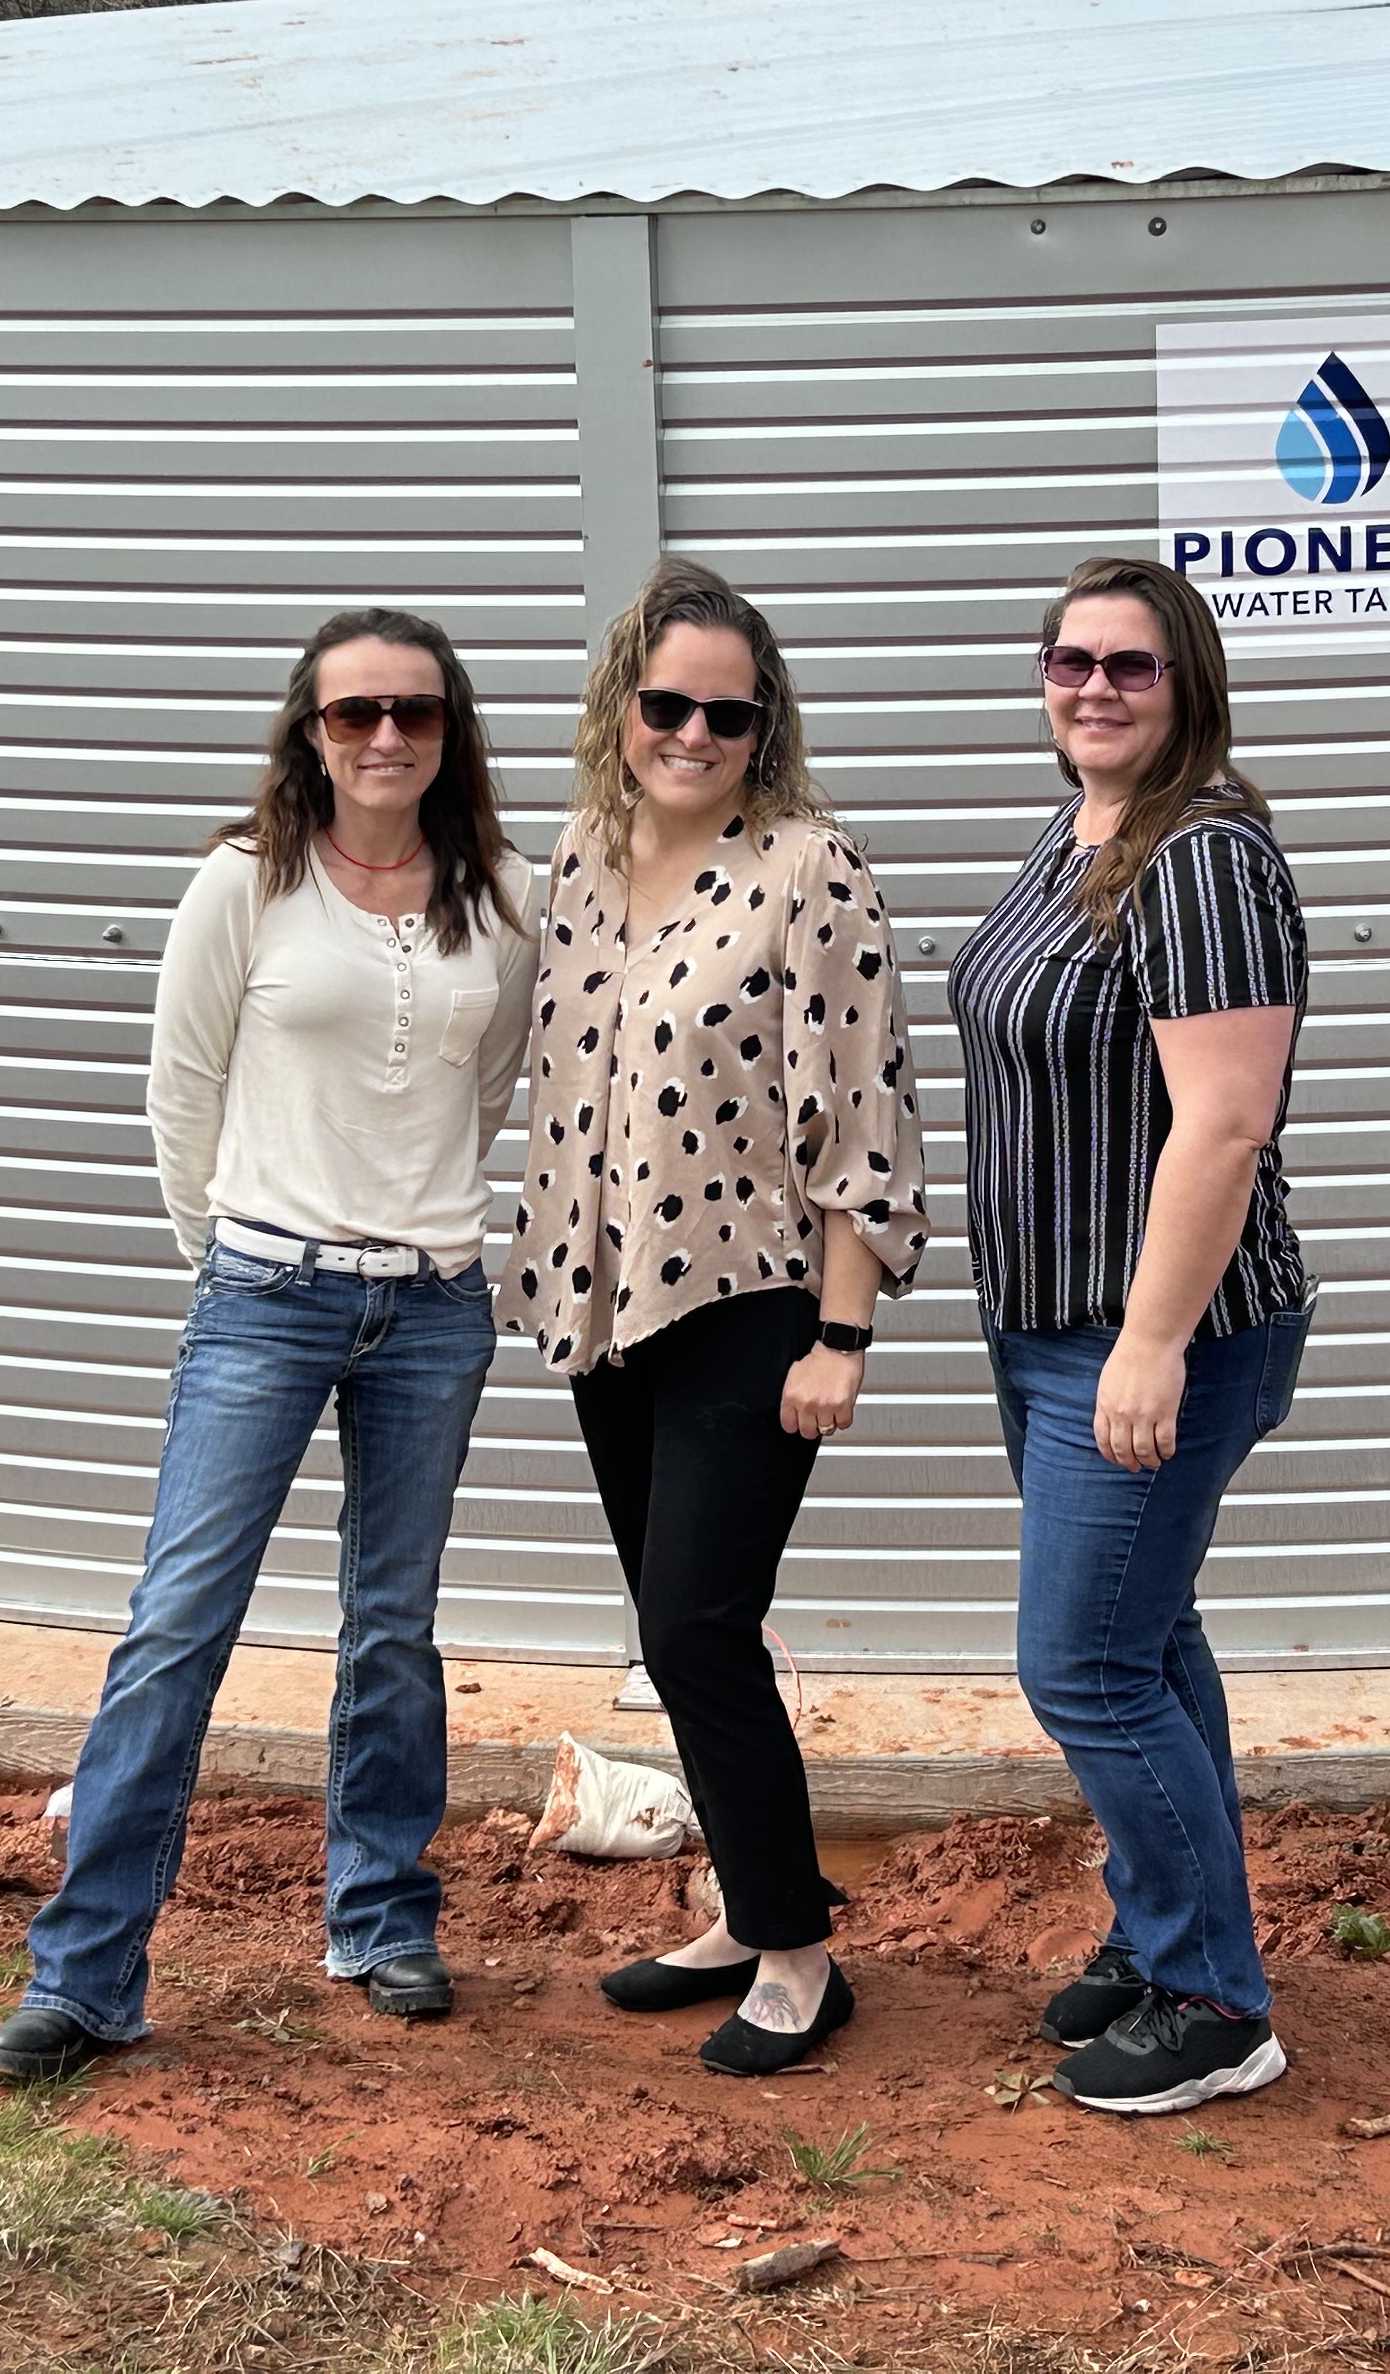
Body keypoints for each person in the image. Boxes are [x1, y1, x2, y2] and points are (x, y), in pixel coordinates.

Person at [0, 608, 536, 2084]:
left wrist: (409, 1222)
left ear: (450, 732)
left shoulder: (501, 899)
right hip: (266, 1295)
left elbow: (483, 1088)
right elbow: (183, 1090)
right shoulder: (245, 884)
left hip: (431, 1308)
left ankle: (382, 1916)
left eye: (414, 713)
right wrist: (236, 1249)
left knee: (393, 1629)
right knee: (180, 1626)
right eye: (353, 712)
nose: (384, 738)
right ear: (308, 728)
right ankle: (88, 1973)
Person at [510, 556, 927, 2075]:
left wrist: (845, 1335)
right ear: (624, 704)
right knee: (674, 1630)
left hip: (753, 1307)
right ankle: (750, 1910)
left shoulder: (812, 868)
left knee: (698, 1623)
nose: (694, 733)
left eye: (727, 716)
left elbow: (867, 1114)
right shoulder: (576, 857)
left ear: (767, 729)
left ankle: (804, 1957)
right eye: (667, 703)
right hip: (606, 1311)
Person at [947, 554, 1312, 2117]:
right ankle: (1160, 1929)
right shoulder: (1085, 829)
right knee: (1147, 1640)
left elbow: (1224, 1126)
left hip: (1149, 1334)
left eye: (1131, 667)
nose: (1093, 687)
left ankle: (1217, 2004)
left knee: (1084, 1663)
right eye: (1069, 660)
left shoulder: (1199, 858)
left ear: (1189, 686)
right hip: (1054, 1330)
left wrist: (1149, 1347)